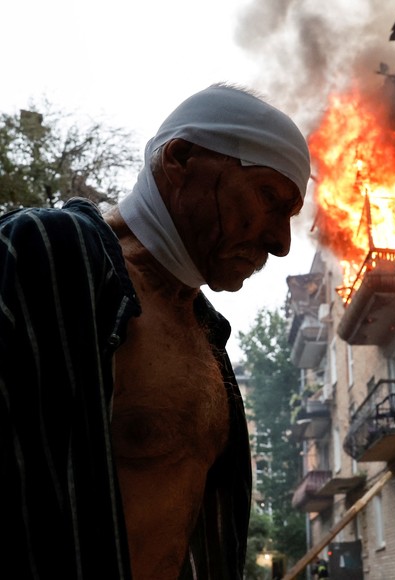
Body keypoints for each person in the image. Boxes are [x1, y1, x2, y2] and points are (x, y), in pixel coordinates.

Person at [0, 84, 310, 579]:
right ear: (180, 159)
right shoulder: (47, 251)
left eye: (290, 215)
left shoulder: (208, 332)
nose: (281, 242)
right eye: (268, 196)